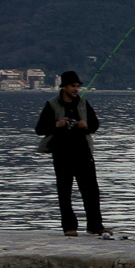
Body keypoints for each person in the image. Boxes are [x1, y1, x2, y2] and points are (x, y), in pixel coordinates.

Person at [33, 70, 108, 236]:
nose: (76, 89)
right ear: (64, 87)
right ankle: (69, 227)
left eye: (78, 86)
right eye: (73, 86)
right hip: (61, 154)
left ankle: (95, 225)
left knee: (91, 191)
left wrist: (86, 125)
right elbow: (39, 129)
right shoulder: (52, 104)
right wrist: (56, 125)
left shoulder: (83, 103)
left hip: (83, 152)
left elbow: (95, 125)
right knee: (64, 191)